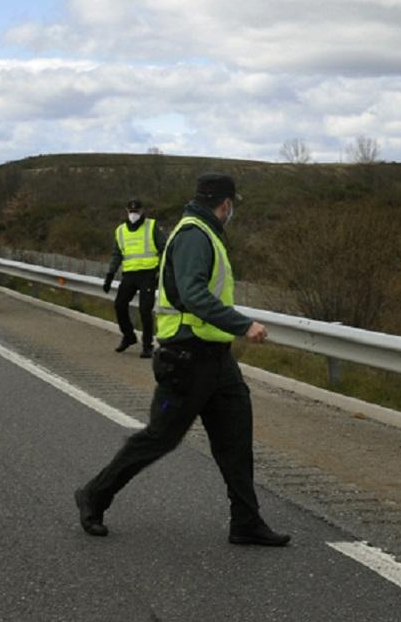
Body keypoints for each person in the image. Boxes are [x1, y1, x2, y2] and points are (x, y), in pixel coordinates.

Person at [75, 173, 290, 546]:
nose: (232, 210)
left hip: (217, 359)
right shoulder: (194, 235)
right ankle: (94, 494)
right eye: (232, 204)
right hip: (187, 358)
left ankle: (246, 521)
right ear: (225, 204)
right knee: (160, 438)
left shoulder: (205, 232)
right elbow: (192, 294)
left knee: (236, 440)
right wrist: (242, 324)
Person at [103, 198, 166, 358]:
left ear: (142, 211)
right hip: (130, 274)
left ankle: (147, 345)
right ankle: (129, 336)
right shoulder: (121, 230)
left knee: (145, 310)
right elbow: (117, 254)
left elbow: (164, 249)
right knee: (119, 305)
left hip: (148, 274)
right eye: (131, 211)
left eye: (136, 211)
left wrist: (160, 270)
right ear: (126, 212)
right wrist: (110, 274)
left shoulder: (151, 226)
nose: (133, 214)